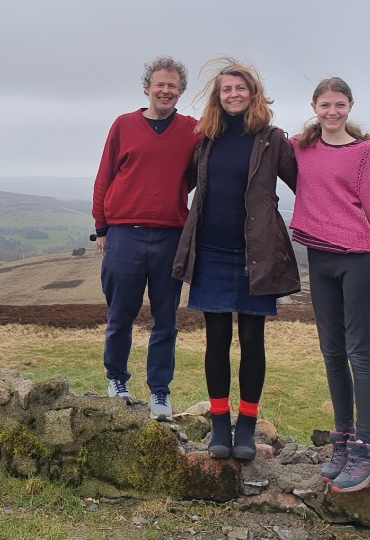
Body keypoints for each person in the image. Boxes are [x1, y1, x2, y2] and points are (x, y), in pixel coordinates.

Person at [289, 77, 370, 493]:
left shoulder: (363, 153)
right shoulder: (299, 147)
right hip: (319, 258)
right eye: (325, 104)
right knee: (330, 350)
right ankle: (342, 439)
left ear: (350, 106)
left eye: (339, 105)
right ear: (314, 105)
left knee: (358, 349)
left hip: (358, 260)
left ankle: (367, 447)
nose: (332, 111)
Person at [172, 59, 299, 462]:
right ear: (218, 96)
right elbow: (179, 180)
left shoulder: (271, 139)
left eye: (240, 89)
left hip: (255, 255)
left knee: (251, 339)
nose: (233, 95)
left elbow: (308, 182)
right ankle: (219, 423)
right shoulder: (205, 137)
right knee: (216, 340)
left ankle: (246, 424)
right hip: (210, 250)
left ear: (253, 94)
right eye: (227, 89)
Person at [93, 55, 201, 421]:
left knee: (165, 319)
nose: (166, 91)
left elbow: (204, 169)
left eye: (173, 86)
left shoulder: (193, 130)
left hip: (170, 236)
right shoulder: (123, 125)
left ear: (180, 90)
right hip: (123, 234)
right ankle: (116, 381)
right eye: (160, 85)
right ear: (148, 88)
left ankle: (159, 392)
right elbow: (104, 176)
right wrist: (102, 227)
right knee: (119, 315)